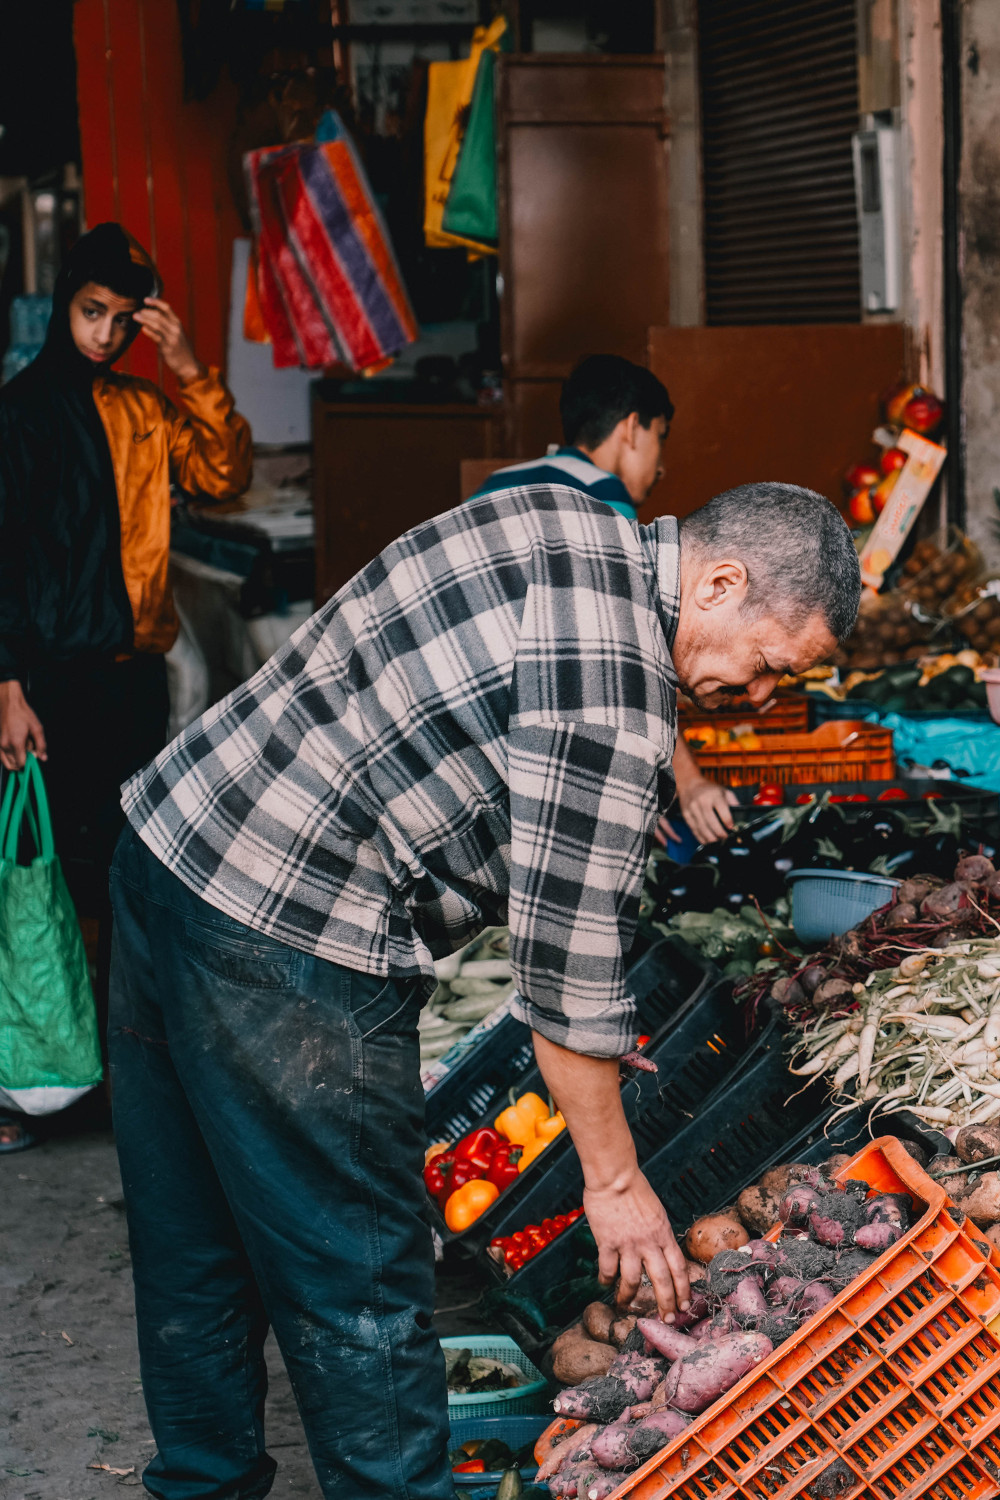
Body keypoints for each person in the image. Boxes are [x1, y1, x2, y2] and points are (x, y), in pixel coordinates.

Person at [110, 480, 860, 1499]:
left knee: (190, 1237)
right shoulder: (616, 699)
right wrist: (615, 1183)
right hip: (293, 931)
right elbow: (562, 977)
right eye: (770, 665)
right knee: (362, 1284)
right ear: (722, 582)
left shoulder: (559, 515)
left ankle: (202, 1483)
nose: (762, 696)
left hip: (174, 844)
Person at [0, 222, 252, 1152]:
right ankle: (31, 1081)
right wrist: (6, 685)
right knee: (43, 883)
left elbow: (224, 472)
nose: (104, 334)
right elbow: (6, 561)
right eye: (90, 312)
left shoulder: (145, 409)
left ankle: (113, 1080)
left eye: (121, 320)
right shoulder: (18, 414)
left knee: (126, 877)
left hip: (132, 681)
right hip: (44, 685)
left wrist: (189, 363)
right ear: (66, 303)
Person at [473, 353, 738, 848]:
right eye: (660, 438)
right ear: (632, 428)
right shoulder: (603, 500)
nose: (661, 467)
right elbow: (624, 662)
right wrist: (682, 780)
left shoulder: (495, 486)